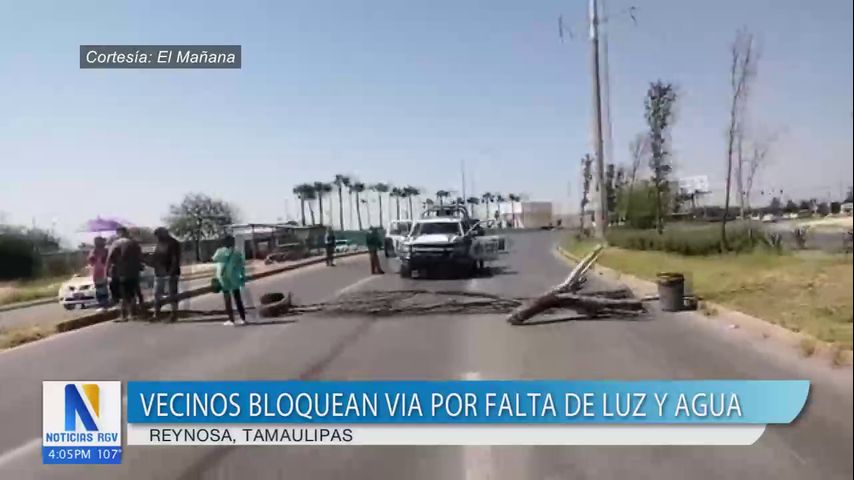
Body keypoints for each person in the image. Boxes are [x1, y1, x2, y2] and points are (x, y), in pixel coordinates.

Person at [106, 226, 143, 322]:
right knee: (131, 293)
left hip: (121, 272)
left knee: (123, 294)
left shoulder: (116, 243)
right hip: (133, 273)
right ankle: (132, 313)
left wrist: (107, 270)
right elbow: (140, 257)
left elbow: (110, 258)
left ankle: (124, 315)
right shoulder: (134, 243)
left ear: (119, 233)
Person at [212, 235, 247, 326]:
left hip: (223, 277)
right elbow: (241, 266)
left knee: (227, 299)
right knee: (237, 298)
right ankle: (243, 318)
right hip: (234, 277)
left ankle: (231, 320)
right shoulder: (237, 252)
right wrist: (242, 276)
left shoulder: (220, 251)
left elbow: (214, 258)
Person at [151, 227, 182, 322]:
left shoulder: (173, 243)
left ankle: (174, 314)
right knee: (157, 293)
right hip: (159, 272)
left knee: (172, 294)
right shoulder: (159, 244)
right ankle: (156, 313)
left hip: (170, 273)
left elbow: (175, 259)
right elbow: (156, 257)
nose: (157, 237)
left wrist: (171, 273)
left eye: (158, 235)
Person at [88, 236, 110, 310]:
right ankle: (102, 304)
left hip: (105, 271)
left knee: (106, 288)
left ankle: (106, 302)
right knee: (100, 288)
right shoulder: (93, 251)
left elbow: (108, 259)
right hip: (97, 272)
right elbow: (91, 260)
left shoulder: (106, 251)